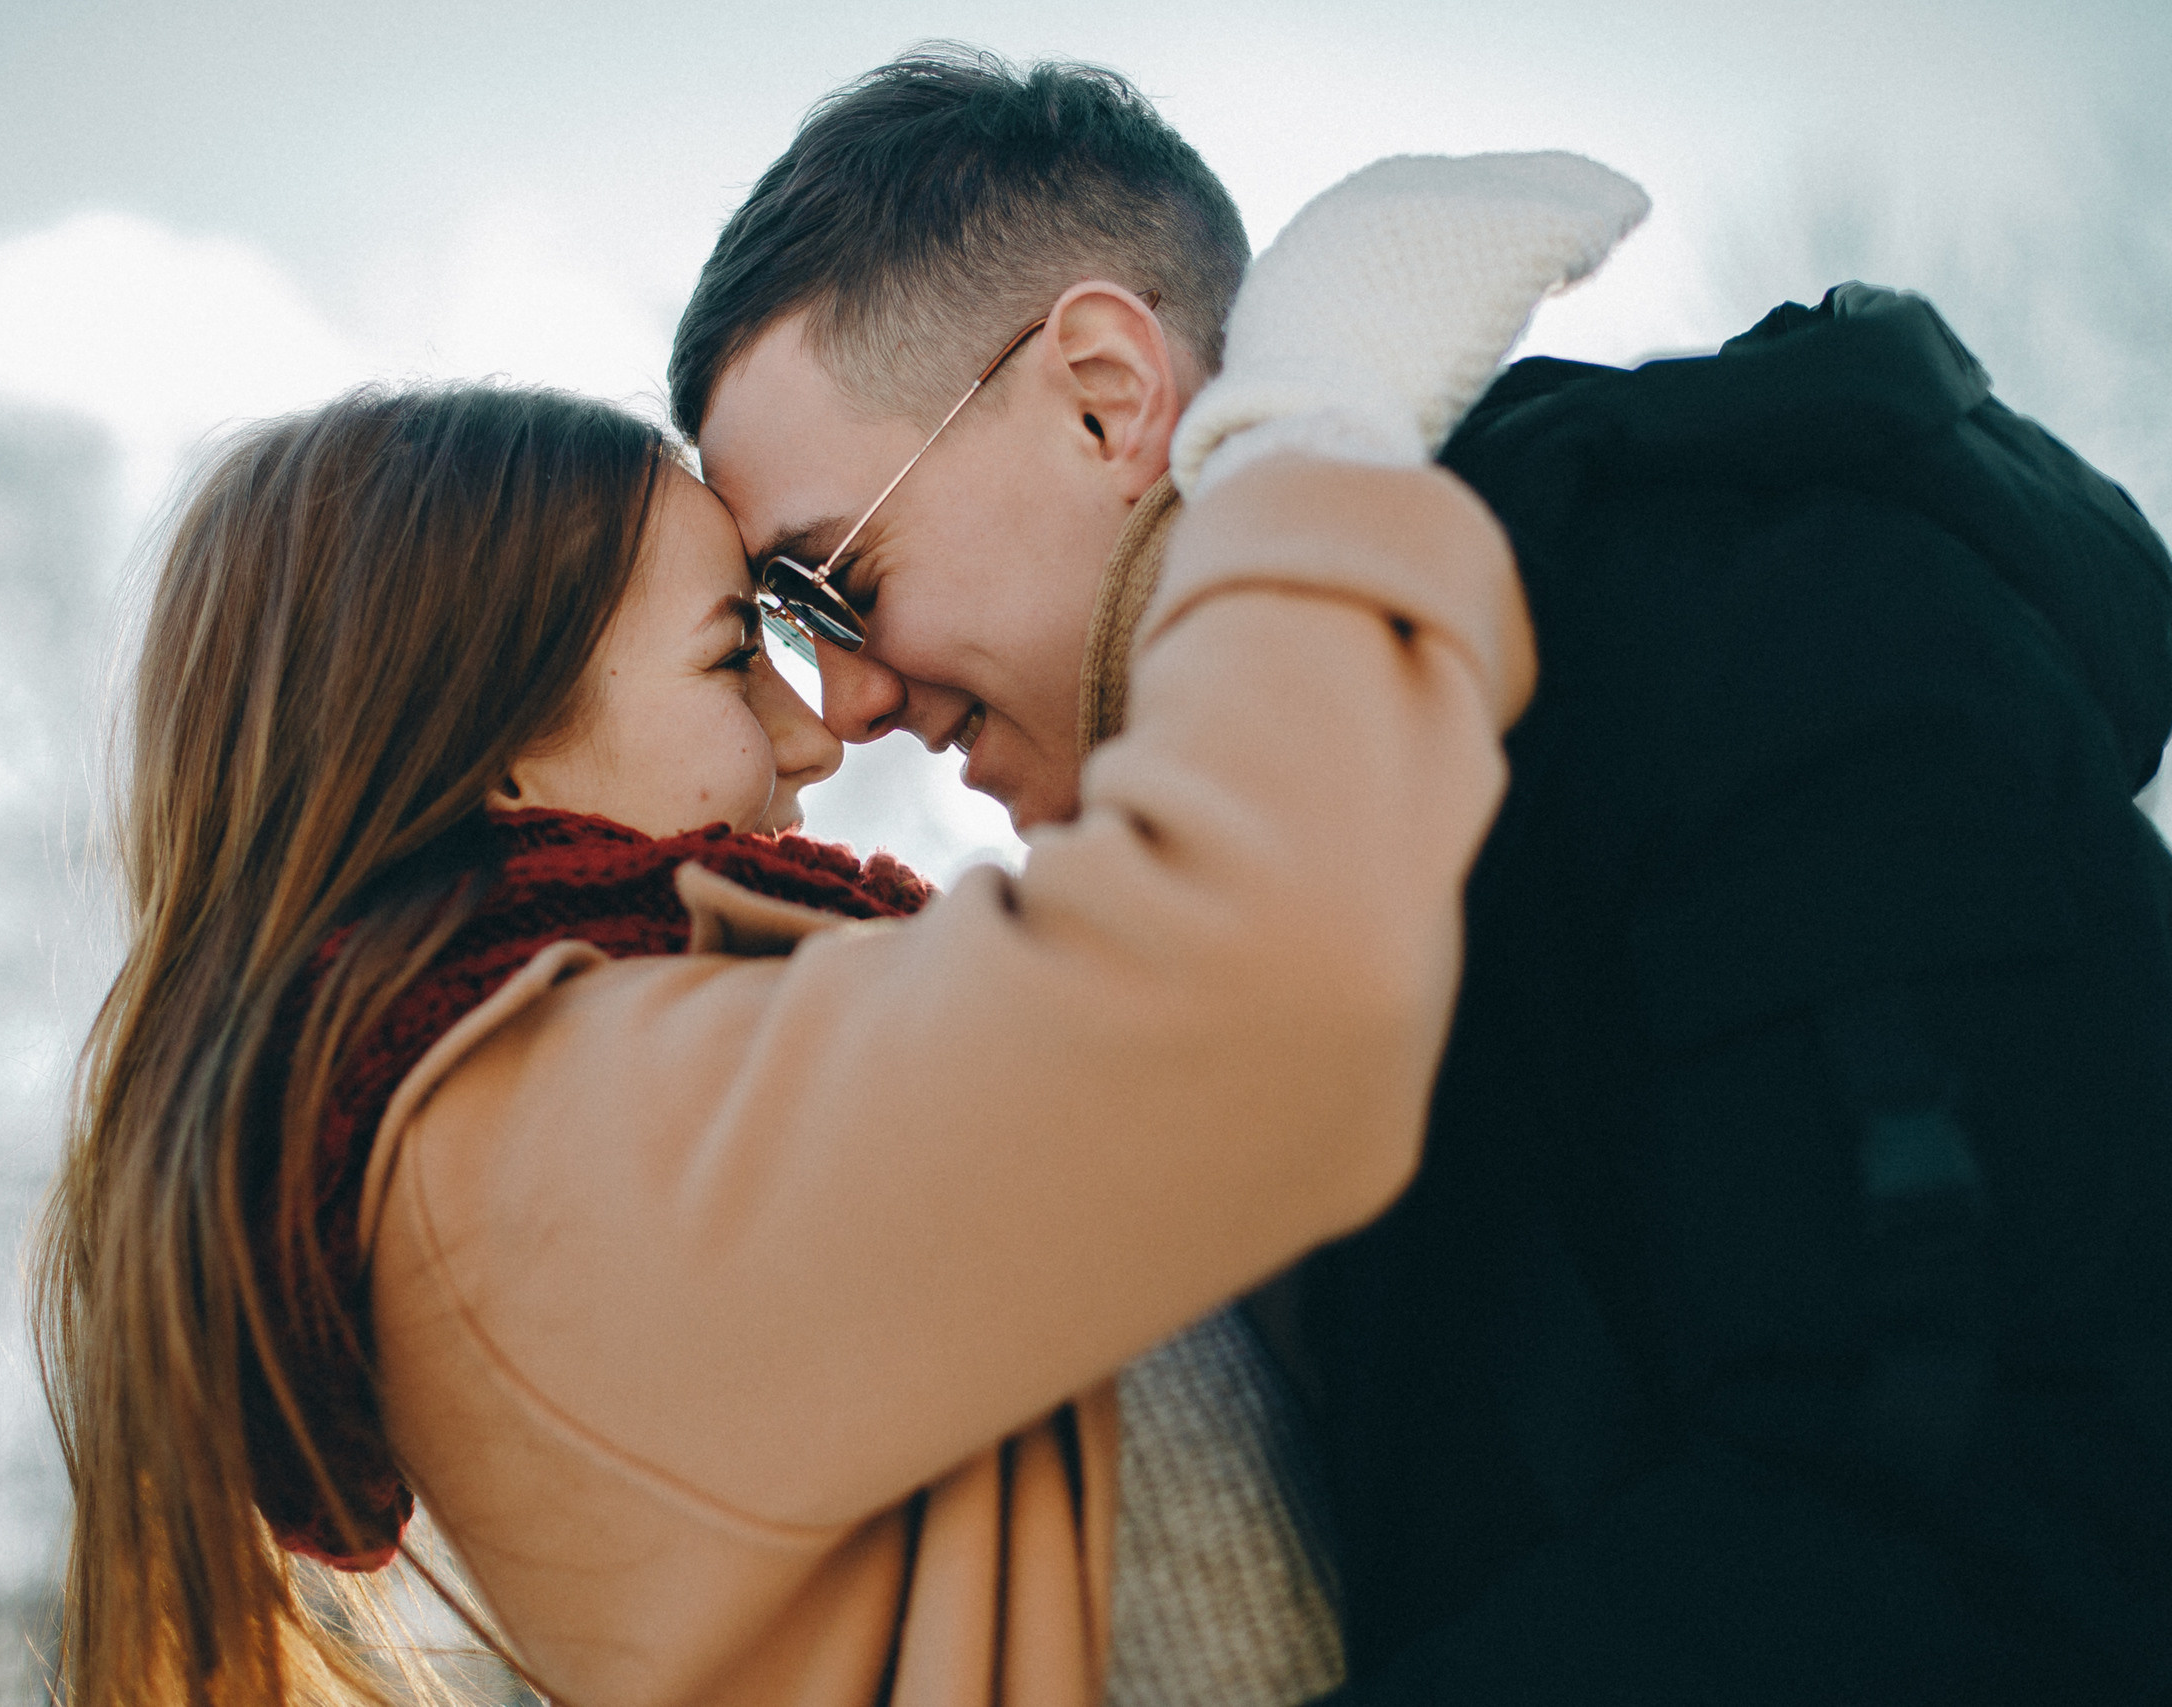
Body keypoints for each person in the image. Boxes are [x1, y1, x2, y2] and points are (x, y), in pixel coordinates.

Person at [676, 46, 2172, 1706]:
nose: (854, 700)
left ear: (1105, 392)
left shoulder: (1726, 622)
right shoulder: (1284, 892)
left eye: (833, 584)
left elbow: (2003, 1507)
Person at [31, 365, 1539, 1706]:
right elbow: (1269, 982)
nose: (816, 734)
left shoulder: (566, 1108)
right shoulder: (534, 1160)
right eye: (728, 655)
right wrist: (1313, 455)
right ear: (487, 749)